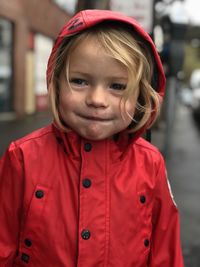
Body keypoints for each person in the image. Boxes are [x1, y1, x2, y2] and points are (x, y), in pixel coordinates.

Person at [0, 9, 184, 267]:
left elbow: (166, 253)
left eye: (117, 86)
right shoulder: (22, 157)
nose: (97, 100)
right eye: (79, 81)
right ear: (56, 81)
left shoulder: (151, 164)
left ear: (141, 94)